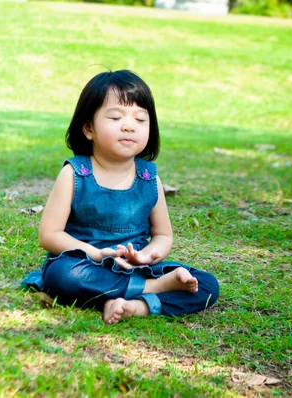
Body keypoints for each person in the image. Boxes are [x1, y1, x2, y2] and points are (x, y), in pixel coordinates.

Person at [22, 70, 219, 324]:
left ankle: (133, 306)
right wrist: (96, 254)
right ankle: (153, 289)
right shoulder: (75, 174)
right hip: (86, 264)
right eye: (115, 117)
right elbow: (49, 235)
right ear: (88, 128)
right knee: (62, 276)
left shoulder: (149, 178)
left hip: (136, 267)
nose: (129, 125)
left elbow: (163, 235)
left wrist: (147, 256)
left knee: (206, 285)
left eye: (140, 119)